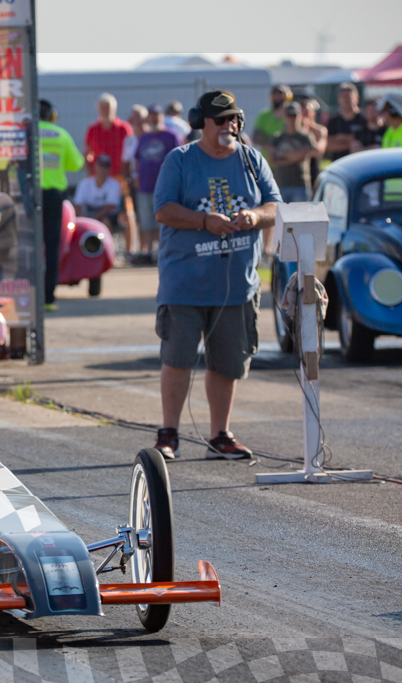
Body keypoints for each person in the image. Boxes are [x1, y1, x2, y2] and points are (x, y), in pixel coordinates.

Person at [151, 89, 282, 461]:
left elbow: (275, 206)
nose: (230, 125)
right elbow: (163, 210)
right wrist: (204, 220)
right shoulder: (180, 160)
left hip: (237, 285)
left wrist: (254, 216)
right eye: (221, 119)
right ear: (201, 123)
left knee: (227, 362)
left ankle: (220, 435)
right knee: (177, 359)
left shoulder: (252, 160)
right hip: (185, 283)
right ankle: (169, 434)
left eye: (235, 119)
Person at [39, 99, 84, 312]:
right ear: (52, 116)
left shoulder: (27, 133)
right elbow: (76, 164)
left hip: (30, 195)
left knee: (28, 246)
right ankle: (49, 299)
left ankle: (27, 297)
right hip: (54, 197)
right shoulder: (61, 134)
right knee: (52, 247)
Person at [85, 94, 137, 252]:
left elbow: (130, 154)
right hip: (99, 179)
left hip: (119, 178)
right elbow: (87, 153)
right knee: (97, 214)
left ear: (114, 108)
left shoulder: (124, 128)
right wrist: (92, 172)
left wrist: (126, 176)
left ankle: (129, 252)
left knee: (127, 212)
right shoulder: (93, 129)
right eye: (102, 108)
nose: (105, 110)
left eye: (108, 107)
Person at [133, 105, 182, 262]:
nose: (154, 118)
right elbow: (137, 158)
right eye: (151, 115)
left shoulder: (171, 136)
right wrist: (136, 176)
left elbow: (180, 159)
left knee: (163, 222)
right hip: (145, 186)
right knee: (146, 222)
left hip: (164, 188)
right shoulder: (144, 137)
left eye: (156, 115)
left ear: (162, 117)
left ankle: (164, 252)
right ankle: (147, 252)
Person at [268, 102, 316, 203]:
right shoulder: (277, 138)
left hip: (300, 184)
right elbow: (271, 159)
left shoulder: (305, 137)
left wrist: (281, 154)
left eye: (294, 116)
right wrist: (294, 158)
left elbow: (304, 154)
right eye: (289, 116)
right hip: (281, 184)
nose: (292, 119)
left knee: (301, 213)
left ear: (300, 116)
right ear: (285, 117)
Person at [73, 154, 120, 227]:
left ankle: (106, 235)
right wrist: (84, 219)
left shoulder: (114, 184)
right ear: (95, 166)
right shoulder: (84, 183)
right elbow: (77, 204)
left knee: (106, 221)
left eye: (106, 166)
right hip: (87, 214)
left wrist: (95, 219)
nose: (103, 169)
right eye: (101, 166)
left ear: (109, 169)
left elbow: (110, 206)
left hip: (104, 216)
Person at [326, 83, 367, 161]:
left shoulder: (364, 118)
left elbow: (366, 142)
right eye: (343, 97)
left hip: (360, 162)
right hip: (339, 162)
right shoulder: (333, 120)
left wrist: (341, 139)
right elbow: (328, 145)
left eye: (349, 97)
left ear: (357, 98)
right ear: (338, 99)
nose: (346, 99)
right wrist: (351, 143)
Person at [252, 84, 291, 152]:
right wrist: (273, 145)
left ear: (288, 96)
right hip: (267, 157)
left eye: (280, 94)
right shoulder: (264, 115)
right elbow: (256, 137)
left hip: (288, 157)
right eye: (275, 94)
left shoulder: (292, 115)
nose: (277, 97)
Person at [301, 99, 328, 185]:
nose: (305, 115)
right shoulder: (294, 132)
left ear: (313, 112)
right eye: (302, 112)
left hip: (314, 169)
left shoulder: (320, 130)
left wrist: (297, 153)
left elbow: (318, 151)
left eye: (307, 112)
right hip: (299, 173)